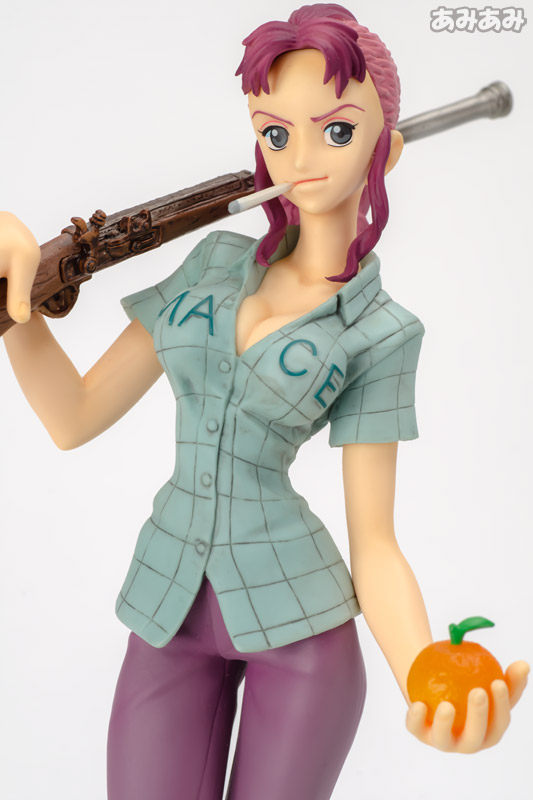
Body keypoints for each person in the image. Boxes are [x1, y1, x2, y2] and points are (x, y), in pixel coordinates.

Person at [0, 4, 528, 800]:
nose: (302, 158)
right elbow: (73, 417)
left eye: (337, 131)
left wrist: (422, 672)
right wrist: (18, 304)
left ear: (384, 148)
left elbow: (374, 541)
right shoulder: (212, 264)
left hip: (302, 629)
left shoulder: (381, 330)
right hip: (167, 604)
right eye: (276, 133)